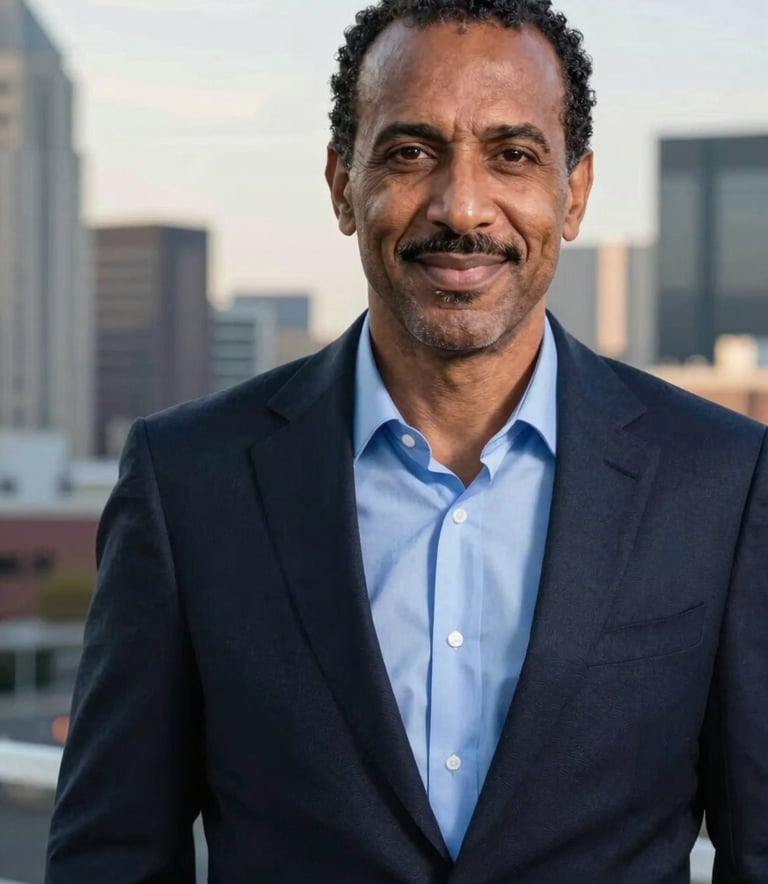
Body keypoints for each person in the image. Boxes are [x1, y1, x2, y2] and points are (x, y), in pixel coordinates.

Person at [46, 1, 767, 882]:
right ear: (341, 184)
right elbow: (110, 857)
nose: (463, 207)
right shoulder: (189, 481)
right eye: (410, 152)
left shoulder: (721, 480)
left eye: (513, 155)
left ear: (572, 192)